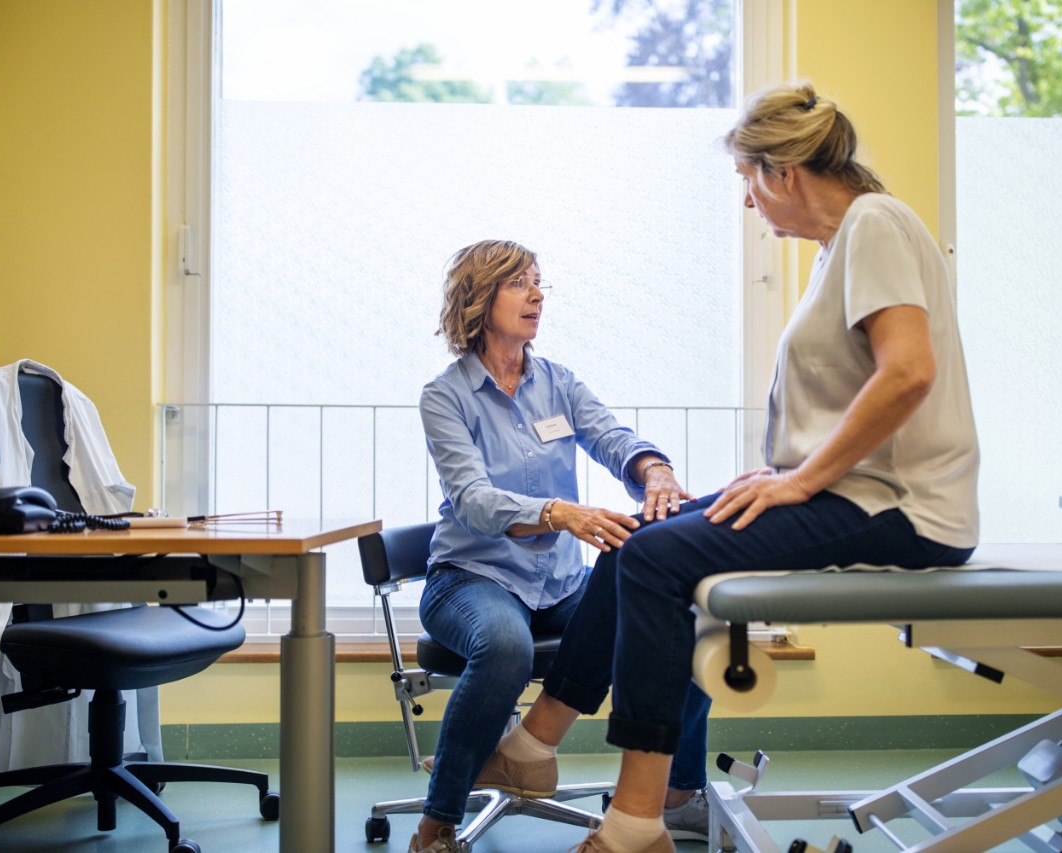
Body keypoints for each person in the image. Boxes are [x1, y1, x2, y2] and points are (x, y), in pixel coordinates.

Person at [480, 80, 982, 853]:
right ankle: (539, 744)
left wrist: (802, 478)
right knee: (643, 530)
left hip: (902, 509)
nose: (749, 203)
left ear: (782, 171)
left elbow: (908, 372)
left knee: (652, 557)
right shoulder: (842, 246)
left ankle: (632, 817)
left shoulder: (874, 223)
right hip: (858, 491)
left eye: (748, 181)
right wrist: (781, 473)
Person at [410, 239, 715, 853]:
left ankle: (678, 795)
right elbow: (472, 499)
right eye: (520, 283)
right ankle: (437, 822)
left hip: (559, 584)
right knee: (503, 645)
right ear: (478, 298)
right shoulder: (445, 397)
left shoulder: (558, 384)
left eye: (539, 282)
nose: (538, 295)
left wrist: (653, 469)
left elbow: (611, 437)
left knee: (680, 620)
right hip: (471, 578)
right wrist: (557, 513)